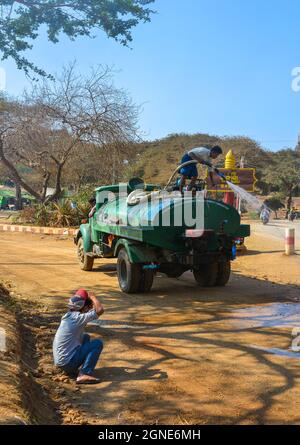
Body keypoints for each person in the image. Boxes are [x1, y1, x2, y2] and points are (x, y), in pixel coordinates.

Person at [53, 289, 104, 385]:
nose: (89, 309)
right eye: (88, 307)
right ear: (83, 307)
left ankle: (74, 370)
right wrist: (92, 297)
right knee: (97, 343)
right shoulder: (78, 318)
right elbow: (100, 310)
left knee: (85, 337)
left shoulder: (68, 315)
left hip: (61, 361)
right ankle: (83, 374)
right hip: (67, 362)